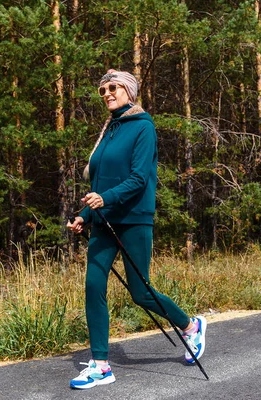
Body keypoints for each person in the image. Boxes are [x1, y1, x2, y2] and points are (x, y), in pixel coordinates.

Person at [66, 69, 207, 390]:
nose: (106, 93)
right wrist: (84, 216)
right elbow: (101, 184)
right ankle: (101, 364)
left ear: (128, 90)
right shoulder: (110, 131)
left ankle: (190, 326)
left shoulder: (143, 127)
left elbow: (139, 178)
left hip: (133, 219)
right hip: (104, 221)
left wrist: (105, 198)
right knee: (92, 286)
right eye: (102, 90)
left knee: (140, 292)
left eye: (112, 87)